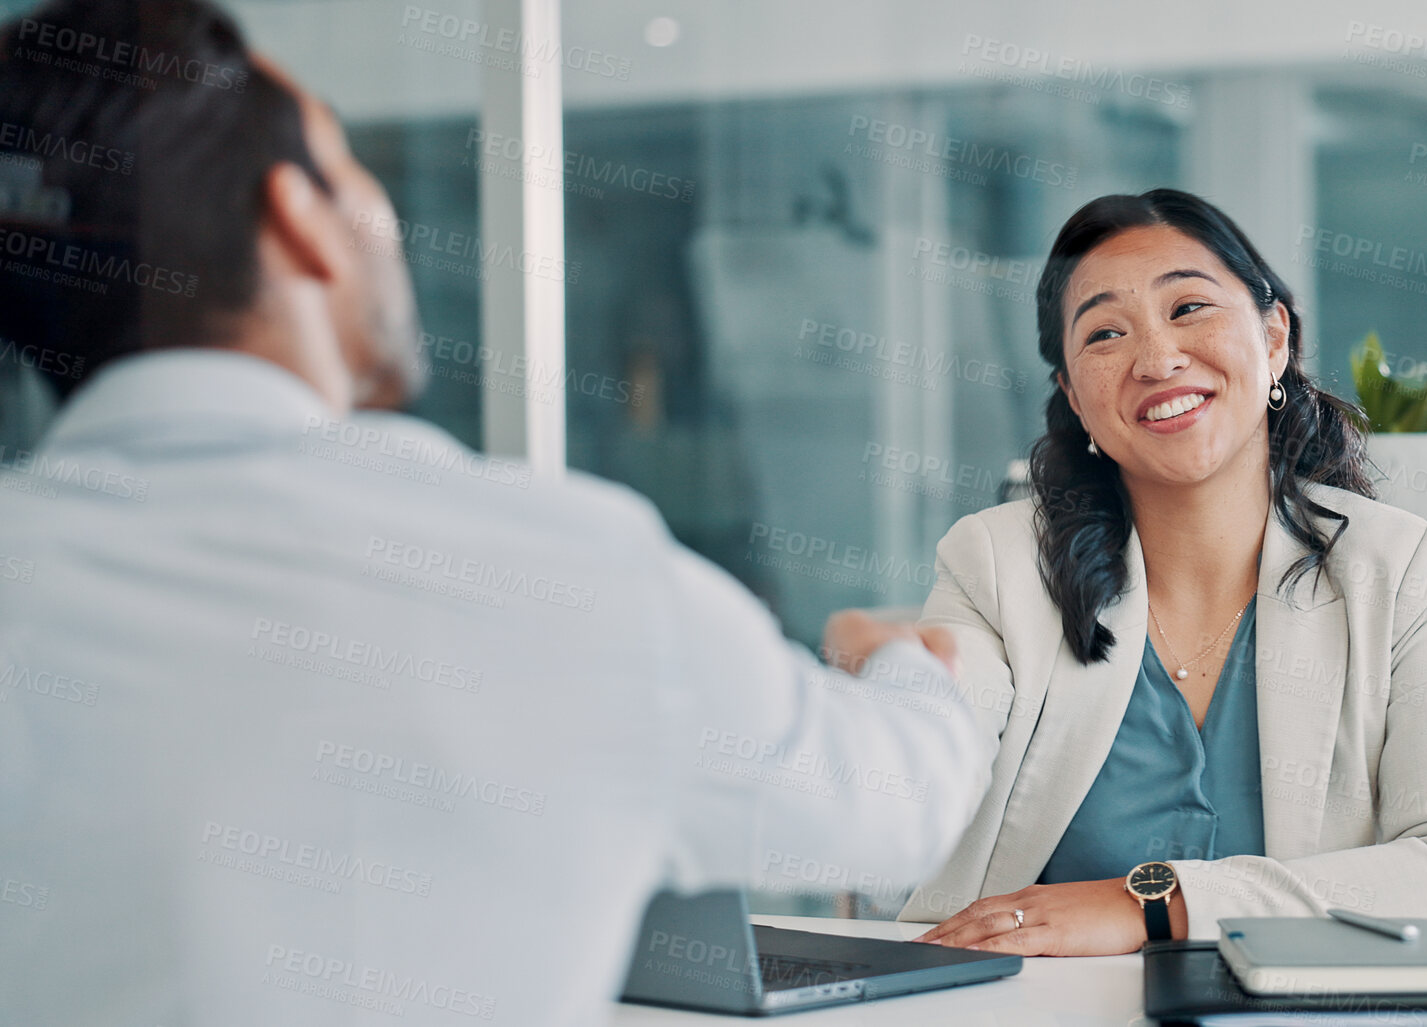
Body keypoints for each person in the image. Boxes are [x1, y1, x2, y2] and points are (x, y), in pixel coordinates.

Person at [0, 2, 982, 1024]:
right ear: (299, 219)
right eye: (353, 171)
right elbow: (900, 805)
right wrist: (899, 660)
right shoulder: (558, 569)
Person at [904, 189, 1427, 955]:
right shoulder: (995, 566)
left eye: (1188, 307)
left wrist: (1150, 905)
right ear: (1072, 396)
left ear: (1273, 339)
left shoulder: (1397, 568)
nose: (1156, 359)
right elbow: (914, 763)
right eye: (1104, 332)